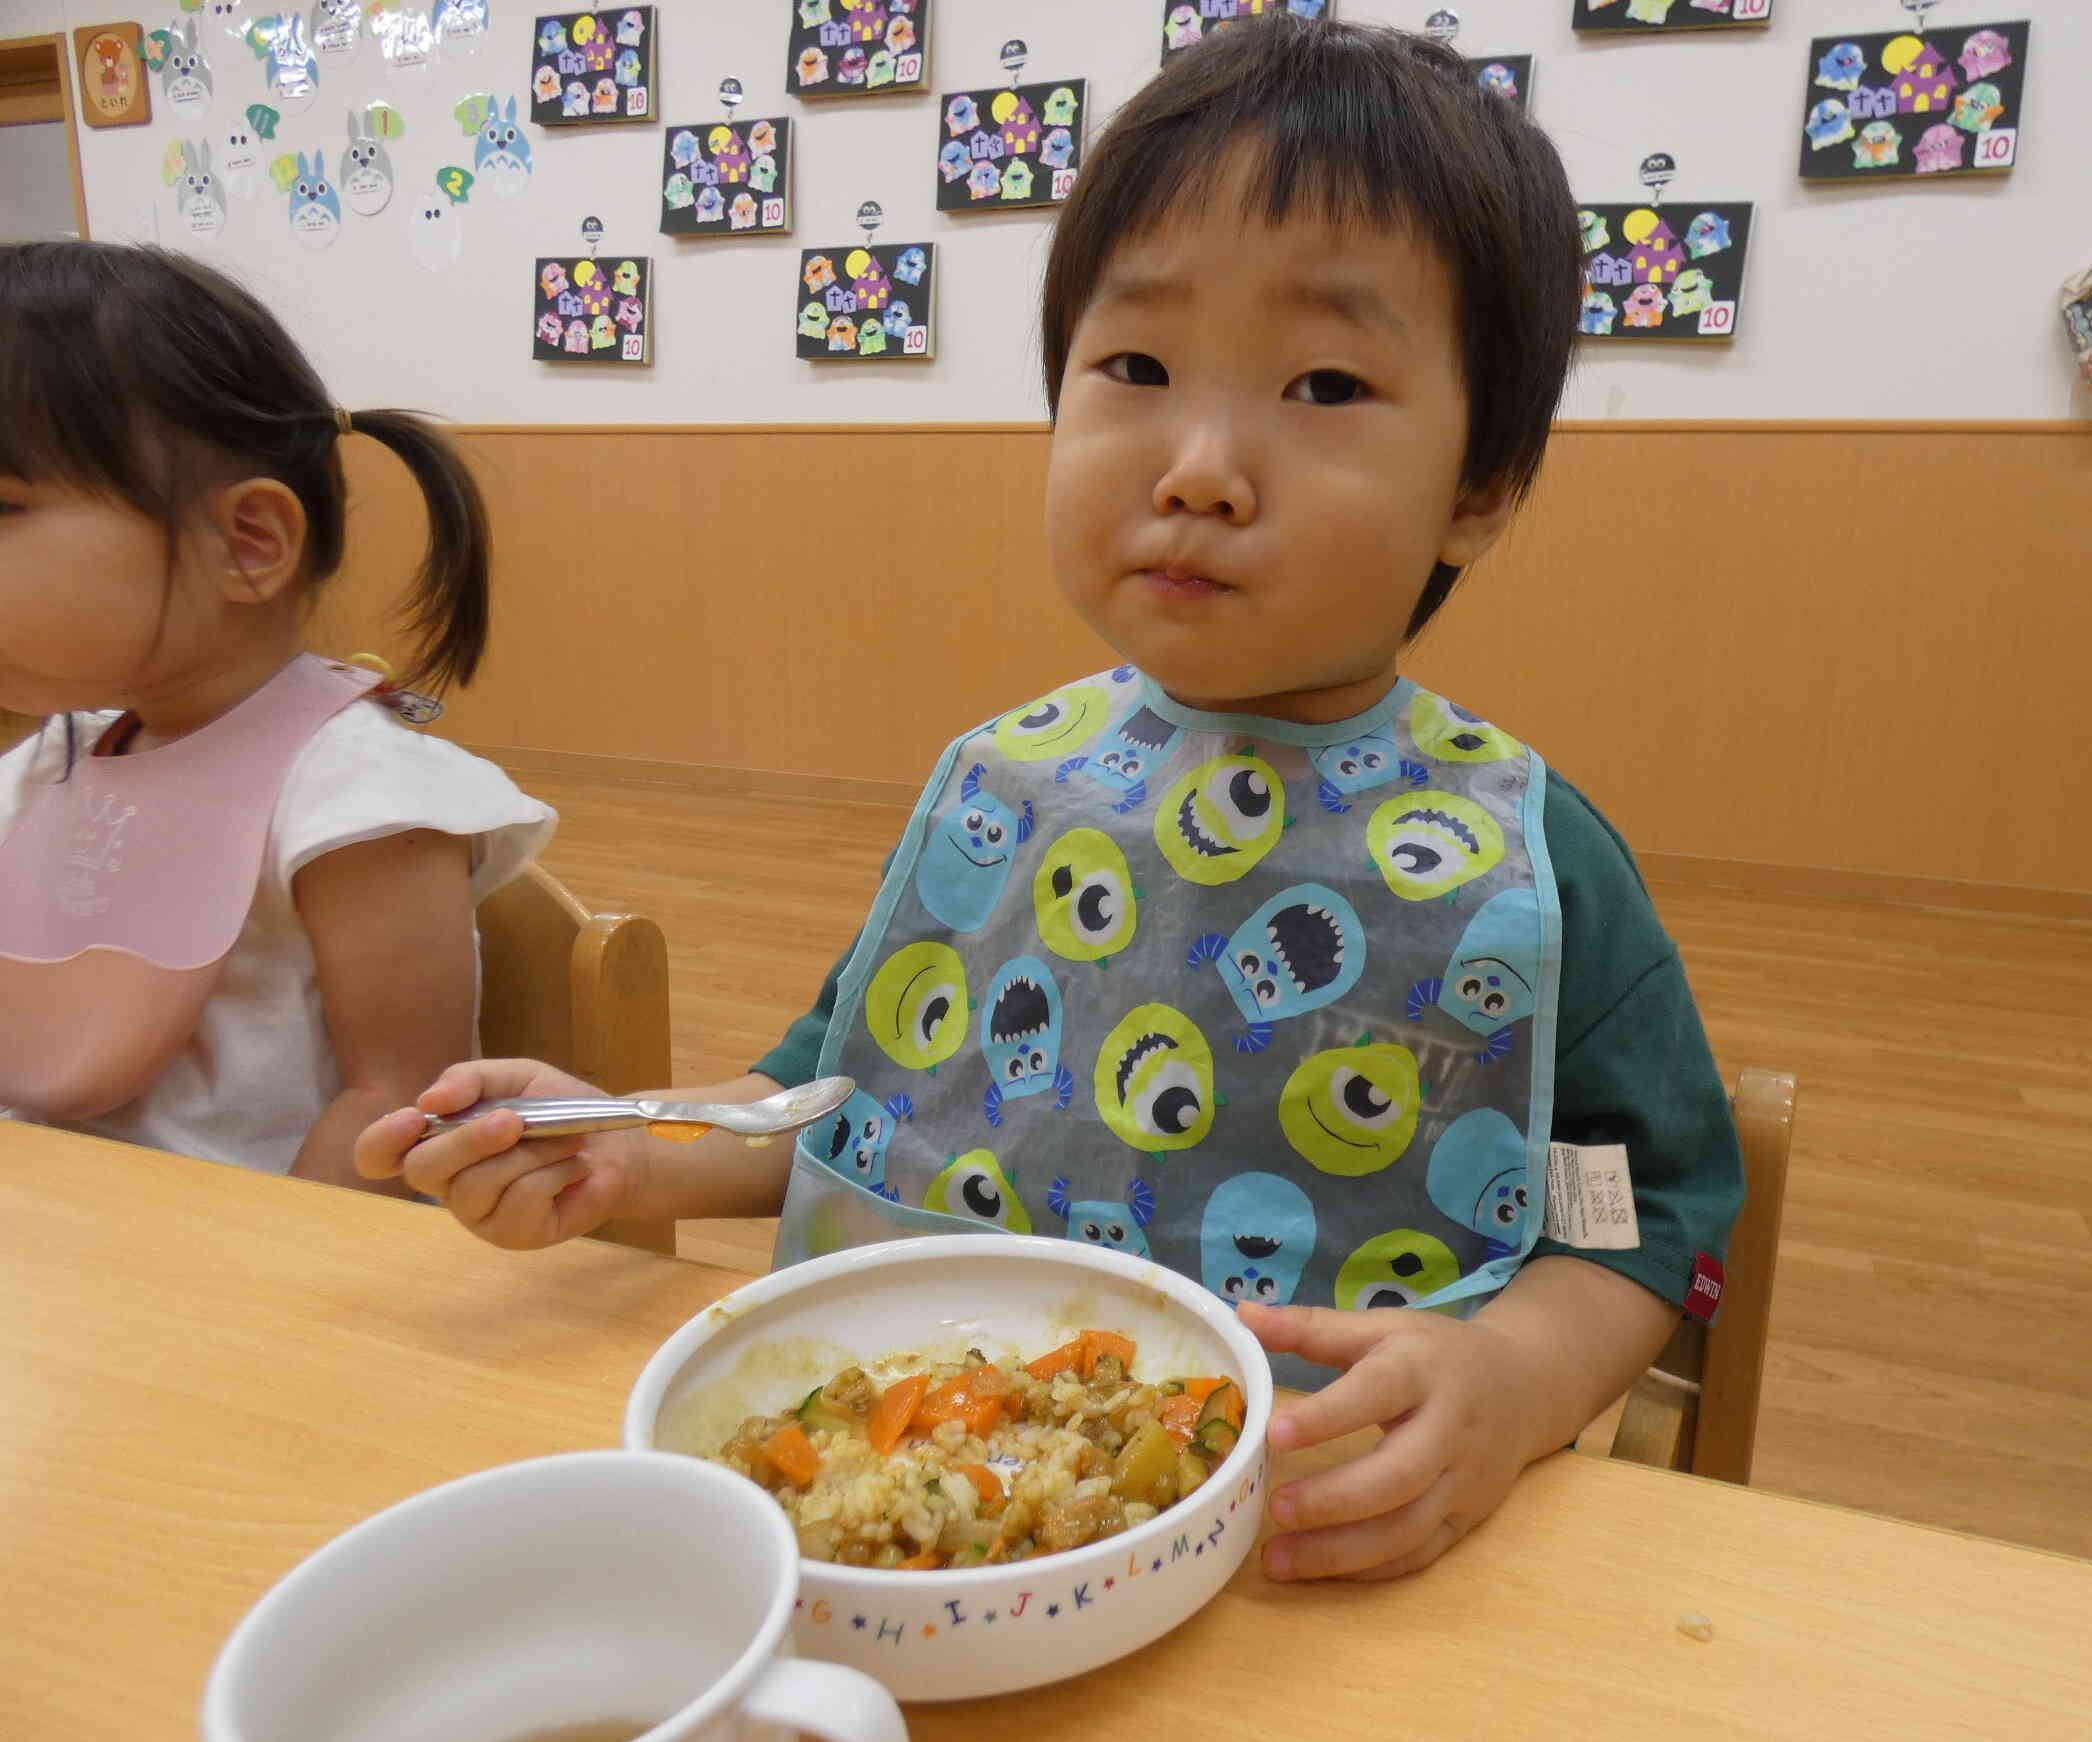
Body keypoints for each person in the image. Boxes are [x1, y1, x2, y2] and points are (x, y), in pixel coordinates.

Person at [359, 16, 1740, 1579]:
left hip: (1306, 1536)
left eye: (1329, 382)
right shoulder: (1001, 785)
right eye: (1135, 366)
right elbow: (846, 1102)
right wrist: (641, 1146)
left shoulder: (1529, 865)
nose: (1201, 465)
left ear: (1481, 486)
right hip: (920, 1520)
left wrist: (1513, 1380)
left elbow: (1639, 1212)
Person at [0, 242, 553, 1194]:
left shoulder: (359, 806)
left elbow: (400, 1096)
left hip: (242, 1267)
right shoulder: (47, 762)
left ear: (248, 543)